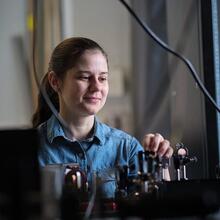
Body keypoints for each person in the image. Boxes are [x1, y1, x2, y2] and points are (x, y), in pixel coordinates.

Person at [32, 37, 173, 198]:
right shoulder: (31, 150)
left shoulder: (127, 148)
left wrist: (159, 163)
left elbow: (157, 208)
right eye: (85, 77)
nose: (97, 87)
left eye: (103, 78)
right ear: (55, 81)